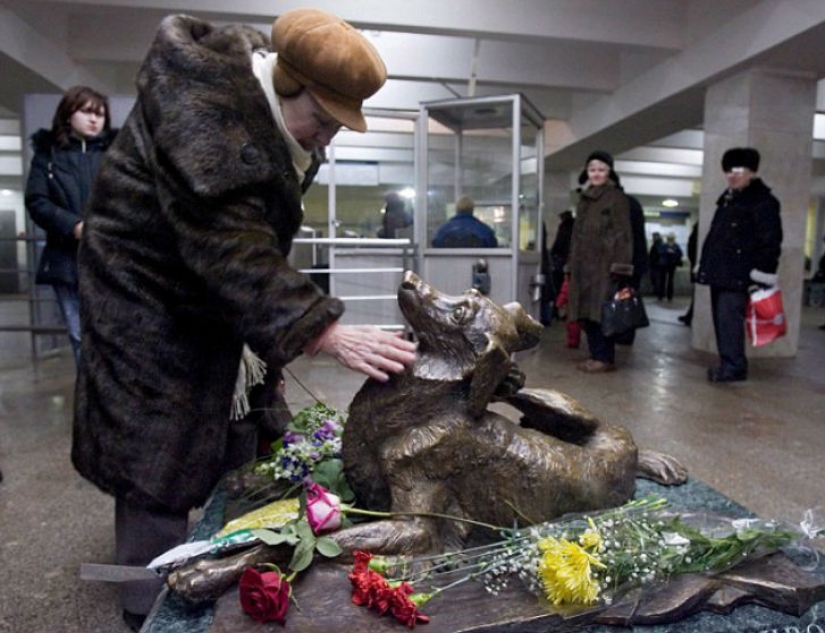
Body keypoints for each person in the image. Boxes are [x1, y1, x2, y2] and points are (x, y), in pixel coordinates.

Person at [70, 10, 417, 630]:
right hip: (145, 301)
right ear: (287, 84)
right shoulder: (204, 116)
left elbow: (248, 243)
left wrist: (273, 340)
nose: (326, 140)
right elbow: (230, 246)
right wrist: (323, 330)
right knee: (156, 452)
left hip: (210, 292)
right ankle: (148, 608)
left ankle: (218, 559)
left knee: (244, 421)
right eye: (323, 121)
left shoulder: (264, 111)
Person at [24, 86, 117, 366]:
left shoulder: (117, 154)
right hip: (66, 260)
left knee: (115, 338)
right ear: (67, 114)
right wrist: (73, 225)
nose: (94, 119)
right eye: (86, 112)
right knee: (80, 337)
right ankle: (90, 393)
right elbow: (37, 200)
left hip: (112, 261)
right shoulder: (48, 154)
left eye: (100, 114)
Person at [696, 147, 782, 383]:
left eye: (738, 170)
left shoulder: (763, 203)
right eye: (728, 171)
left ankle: (734, 366)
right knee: (722, 321)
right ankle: (729, 363)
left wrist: (760, 274)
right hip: (721, 271)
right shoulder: (728, 200)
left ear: (751, 172)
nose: (732, 176)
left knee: (729, 321)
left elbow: (770, 241)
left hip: (739, 274)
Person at [568, 150, 634, 373]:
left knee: (601, 314)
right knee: (586, 314)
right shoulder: (585, 199)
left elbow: (623, 234)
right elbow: (578, 235)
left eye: (601, 170)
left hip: (604, 267)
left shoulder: (616, 198)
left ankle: (604, 357)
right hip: (584, 267)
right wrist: (572, 264)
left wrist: (620, 266)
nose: (596, 174)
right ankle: (595, 354)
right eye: (592, 170)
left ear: (609, 172)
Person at [431, 195, 498, 247]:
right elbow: (493, 248)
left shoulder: (443, 231)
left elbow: (436, 247)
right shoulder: (484, 231)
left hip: (449, 261)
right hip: (476, 261)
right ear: (472, 209)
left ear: (457, 209)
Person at [678, 223, 699, 326]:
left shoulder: (696, 233)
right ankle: (690, 315)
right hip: (696, 266)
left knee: (696, 294)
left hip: (696, 266)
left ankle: (690, 316)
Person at [656, 232, 683, 302]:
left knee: (666, 280)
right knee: (665, 280)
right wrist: (668, 251)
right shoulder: (674, 246)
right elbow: (659, 252)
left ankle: (665, 295)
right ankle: (664, 295)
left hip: (668, 264)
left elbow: (680, 253)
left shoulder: (666, 245)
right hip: (667, 264)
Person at [648, 232, 665, 299]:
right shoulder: (660, 244)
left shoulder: (656, 245)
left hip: (656, 264)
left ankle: (658, 292)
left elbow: (654, 255)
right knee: (658, 279)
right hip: (658, 264)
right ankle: (659, 292)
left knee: (656, 279)